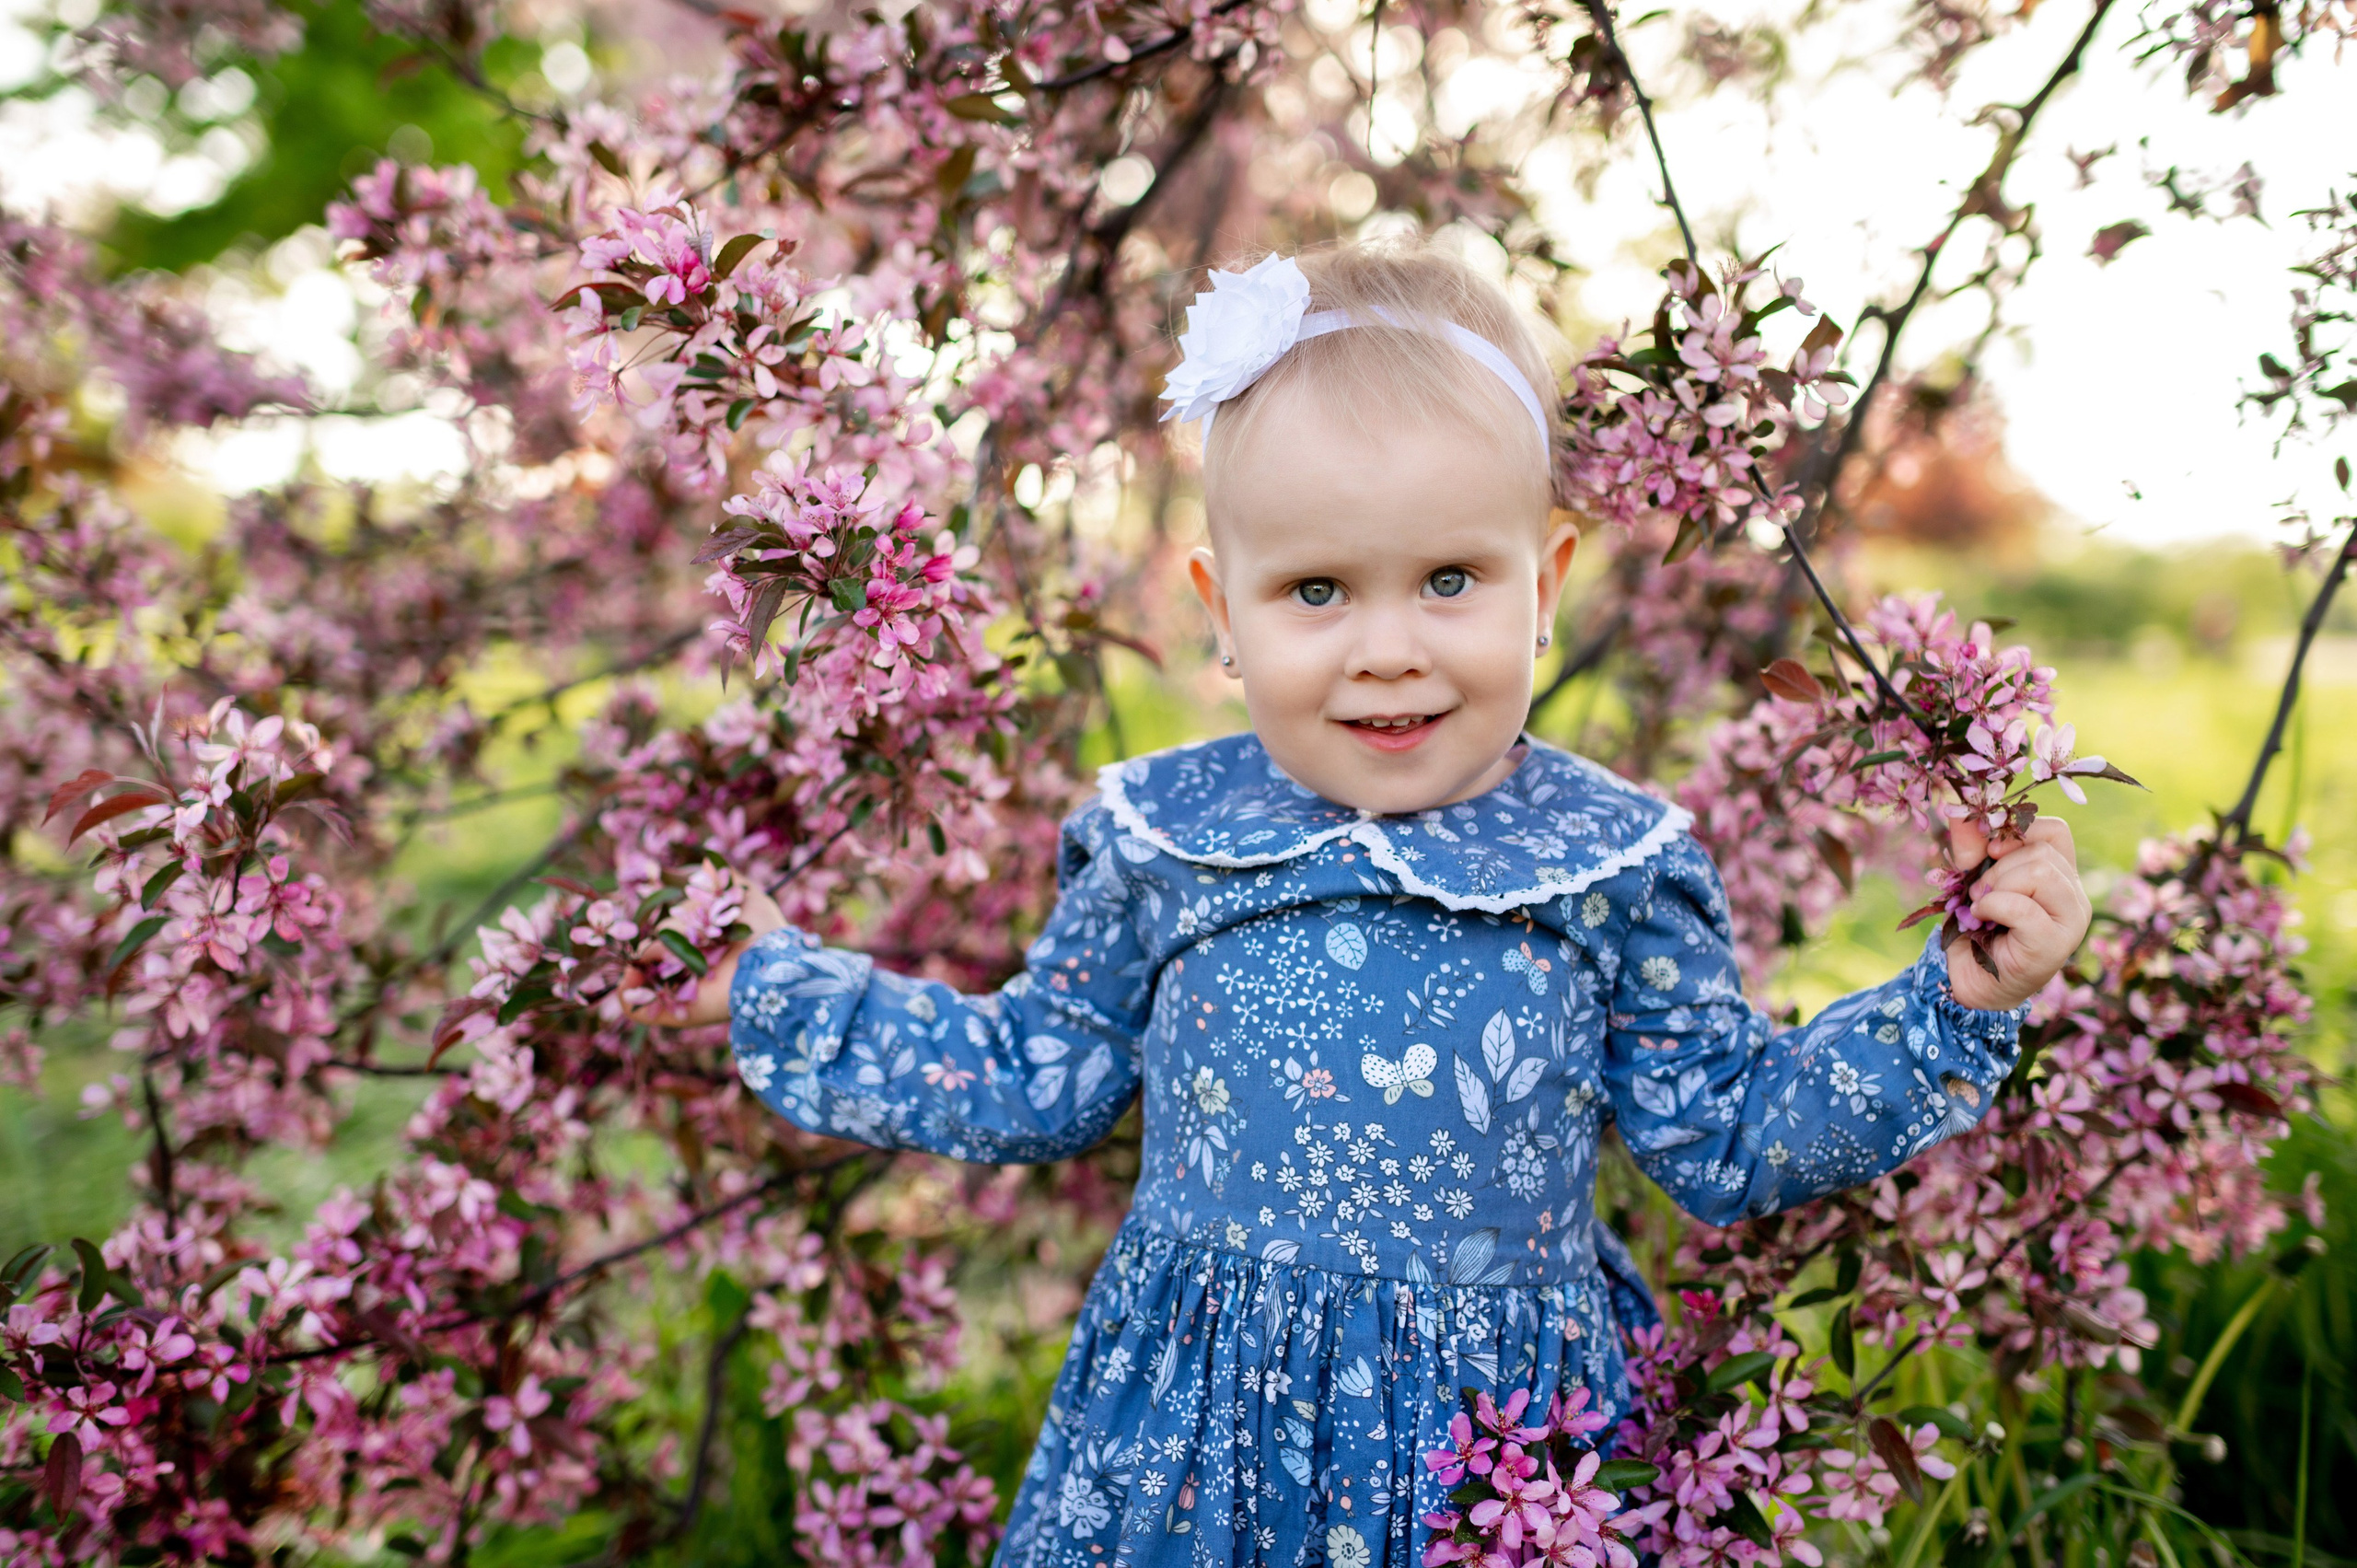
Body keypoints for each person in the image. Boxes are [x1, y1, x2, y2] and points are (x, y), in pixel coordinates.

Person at [637, 241, 2093, 1567]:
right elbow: (1039, 1074)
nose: (1388, 650)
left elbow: (1722, 1134)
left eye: (1450, 579)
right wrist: (779, 989)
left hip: (1501, 1463)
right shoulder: (1164, 838)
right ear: (1222, 609)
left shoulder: (1612, 862)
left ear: (1548, 585)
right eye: (1318, 591)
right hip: (1203, 1456)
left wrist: (1949, 1006)